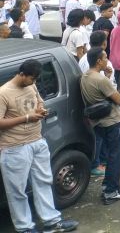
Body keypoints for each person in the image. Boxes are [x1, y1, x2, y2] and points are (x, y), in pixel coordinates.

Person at [0, 59, 78, 232]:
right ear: (22, 74)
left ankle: (52, 222)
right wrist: (27, 118)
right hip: (14, 147)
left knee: (44, 182)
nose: (34, 83)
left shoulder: (31, 86)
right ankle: (25, 228)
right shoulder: (4, 93)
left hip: (37, 141)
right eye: (32, 79)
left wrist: (41, 109)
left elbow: (39, 101)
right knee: (17, 191)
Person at [80, 48, 120, 205]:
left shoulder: (85, 77)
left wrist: (107, 76)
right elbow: (119, 99)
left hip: (99, 122)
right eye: (105, 57)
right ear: (99, 61)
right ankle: (111, 191)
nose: (107, 60)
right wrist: (109, 80)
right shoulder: (101, 80)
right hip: (114, 121)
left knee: (110, 156)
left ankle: (111, 187)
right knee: (115, 156)